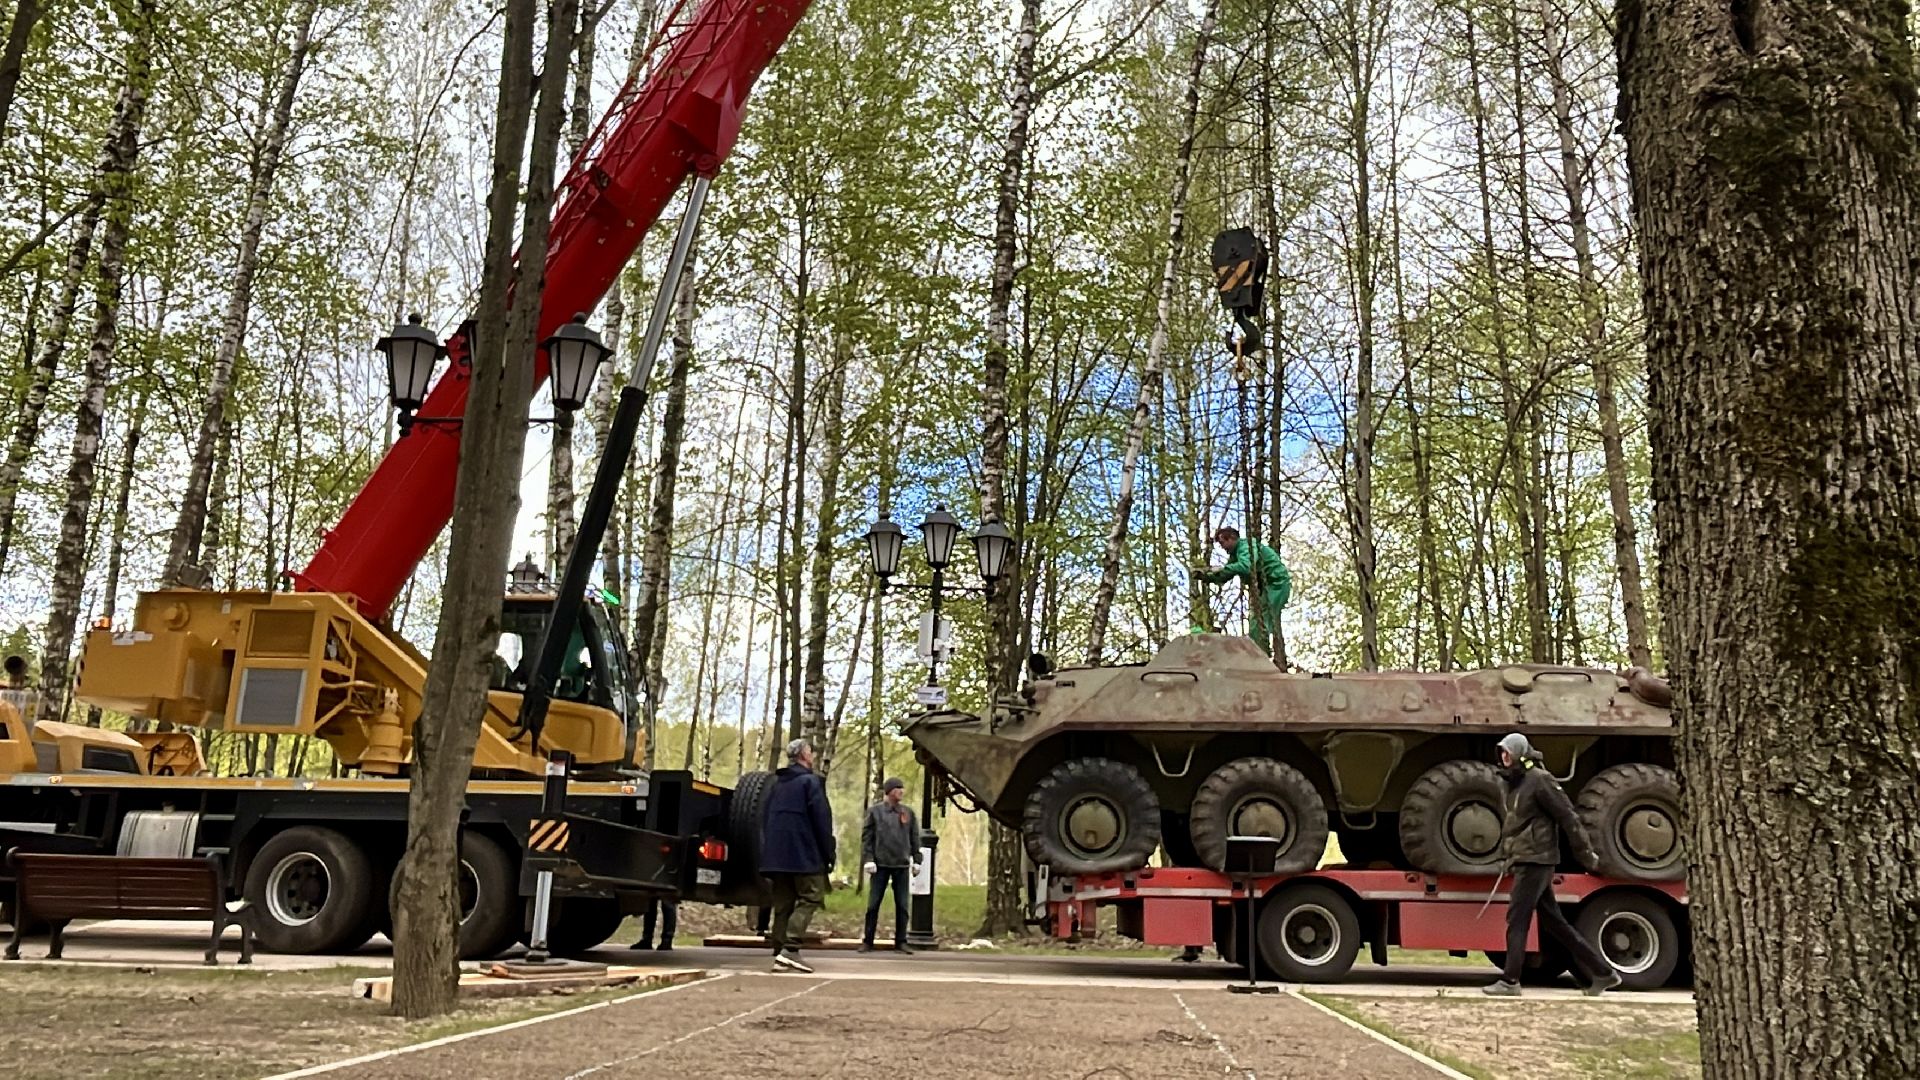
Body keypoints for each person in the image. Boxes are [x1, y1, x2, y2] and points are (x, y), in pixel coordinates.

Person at [1483, 732, 1623, 997]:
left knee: (1517, 920)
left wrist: (1586, 855)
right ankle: (1604, 973)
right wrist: (1507, 857)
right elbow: (1516, 827)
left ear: (1520, 754)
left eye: (1508, 752)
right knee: (1555, 923)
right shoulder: (1512, 784)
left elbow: (1568, 817)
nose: (1504, 757)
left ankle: (1510, 981)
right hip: (1526, 859)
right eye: (1501, 752)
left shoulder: (1540, 780)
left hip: (1537, 861)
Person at [762, 737, 834, 973]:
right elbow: (821, 821)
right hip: (804, 855)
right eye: (810, 751)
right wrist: (828, 853)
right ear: (804, 755)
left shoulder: (775, 785)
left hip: (775, 857)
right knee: (811, 897)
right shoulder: (810, 783)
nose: (812, 755)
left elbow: (763, 818)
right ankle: (790, 949)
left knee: (783, 903)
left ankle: (779, 951)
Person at [1195, 526, 1291, 658]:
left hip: (1276, 584)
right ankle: (1259, 652)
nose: (1222, 548)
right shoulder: (1236, 554)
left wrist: (1222, 569)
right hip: (1267, 587)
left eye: (1223, 543)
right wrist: (1206, 576)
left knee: (1260, 620)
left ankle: (1260, 654)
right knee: (1256, 620)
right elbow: (1226, 575)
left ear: (1231, 538)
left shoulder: (1246, 546)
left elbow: (1247, 566)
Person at [859, 777, 919, 953]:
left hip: (901, 865)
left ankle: (901, 941)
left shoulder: (908, 813)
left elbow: (914, 837)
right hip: (880, 864)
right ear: (890, 791)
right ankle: (868, 940)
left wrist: (917, 859)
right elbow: (867, 838)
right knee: (873, 905)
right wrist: (868, 859)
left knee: (902, 906)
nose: (901, 791)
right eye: (898, 788)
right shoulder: (875, 812)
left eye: (902, 788)